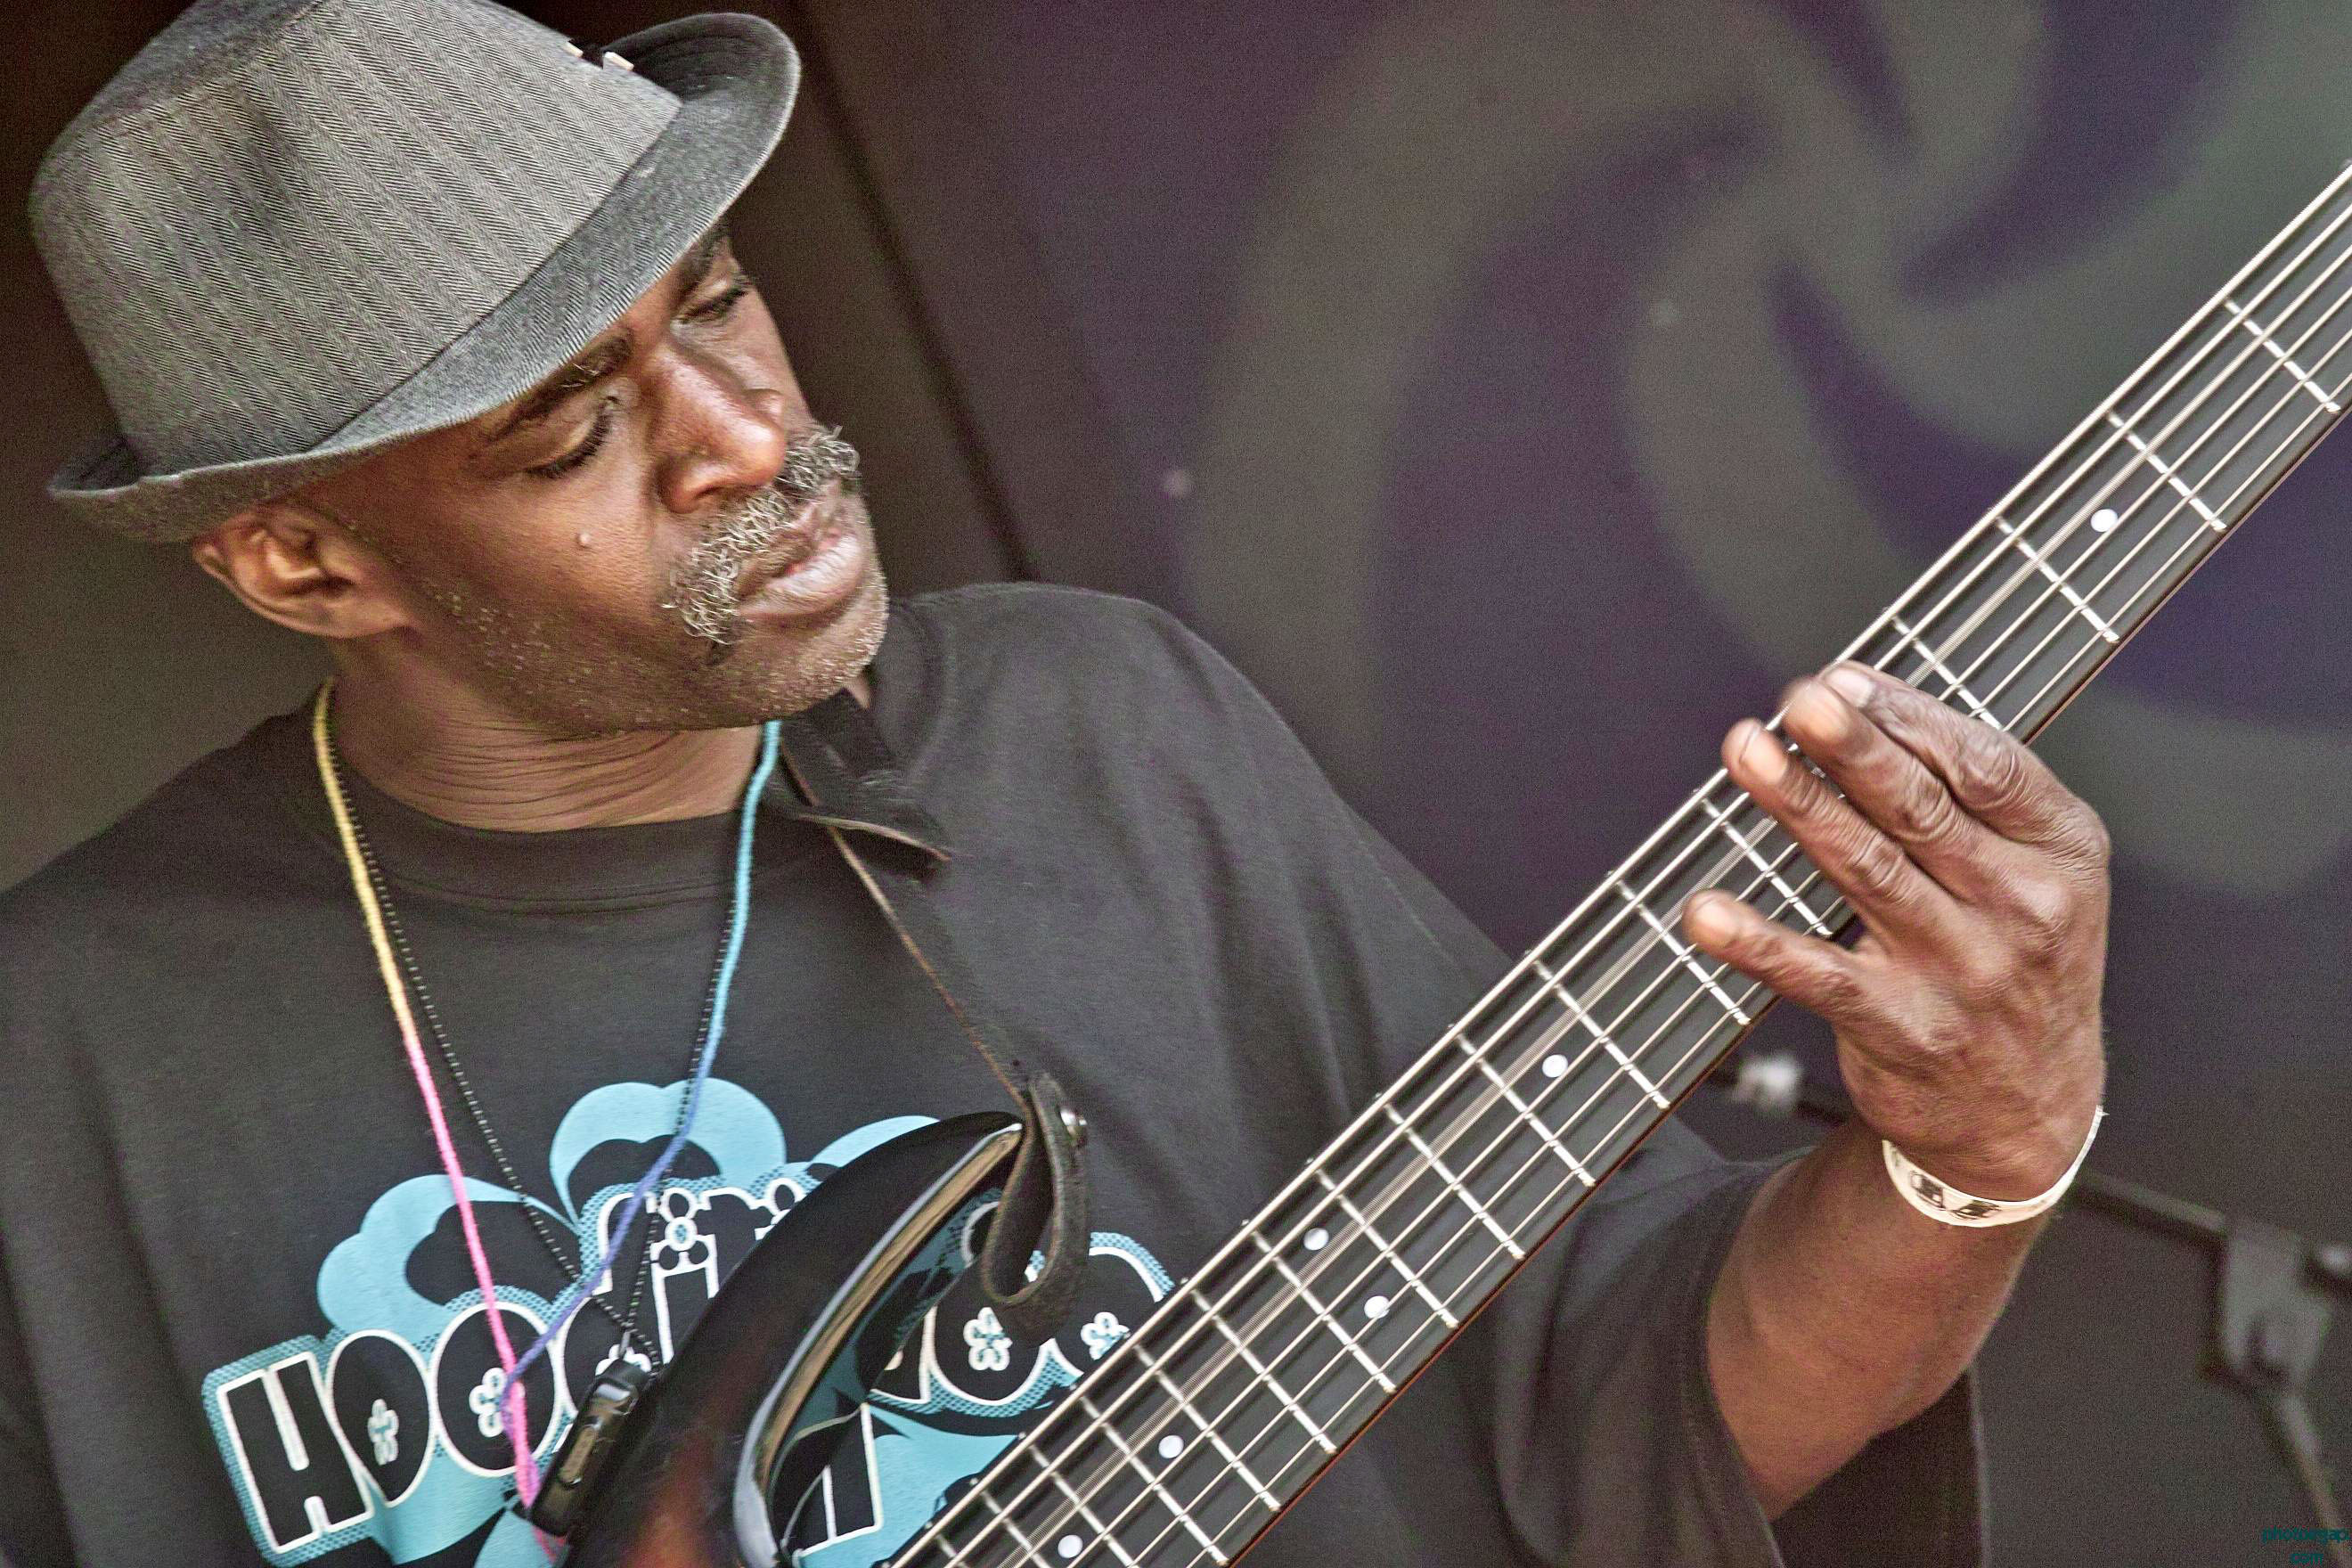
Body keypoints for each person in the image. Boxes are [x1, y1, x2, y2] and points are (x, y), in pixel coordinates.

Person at [1, 2, 2112, 1564]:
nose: (746, 436)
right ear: (309, 563)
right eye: (569, 432)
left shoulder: (1090, 739)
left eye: (718, 297)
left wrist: (1978, 1157)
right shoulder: (63, 1065)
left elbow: (1619, 1412)